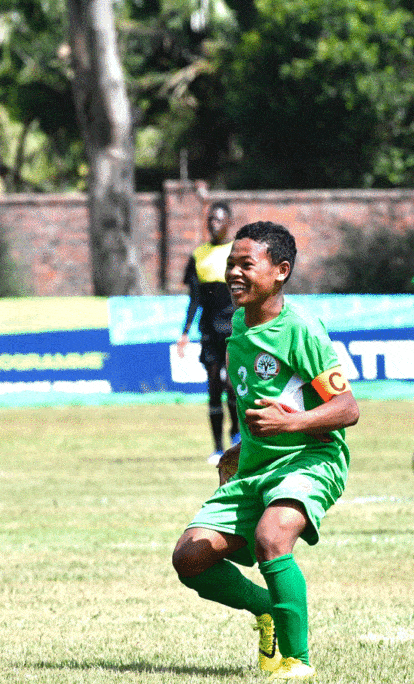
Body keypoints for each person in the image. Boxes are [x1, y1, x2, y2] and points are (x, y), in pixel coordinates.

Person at [172, 221, 359, 681]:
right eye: (231, 264)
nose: (233, 273)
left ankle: (298, 661)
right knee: (190, 559)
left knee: (272, 538)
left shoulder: (301, 330)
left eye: (246, 264)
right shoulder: (238, 322)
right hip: (257, 464)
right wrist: (239, 449)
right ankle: (267, 609)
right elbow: (253, 393)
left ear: (281, 271)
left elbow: (347, 408)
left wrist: (289, 424)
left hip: (310, 459)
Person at [177, 201, 239, 466]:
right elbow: (194, 299)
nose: (213, 224)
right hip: (210, 330)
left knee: (234, 387)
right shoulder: (198, 255)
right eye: (210, 220)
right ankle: (217, 448)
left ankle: (237, 435)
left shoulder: (238, 252)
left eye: (218, 219)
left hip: (234, 330)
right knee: (214, 387)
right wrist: (185, 332)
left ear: (229, 223)